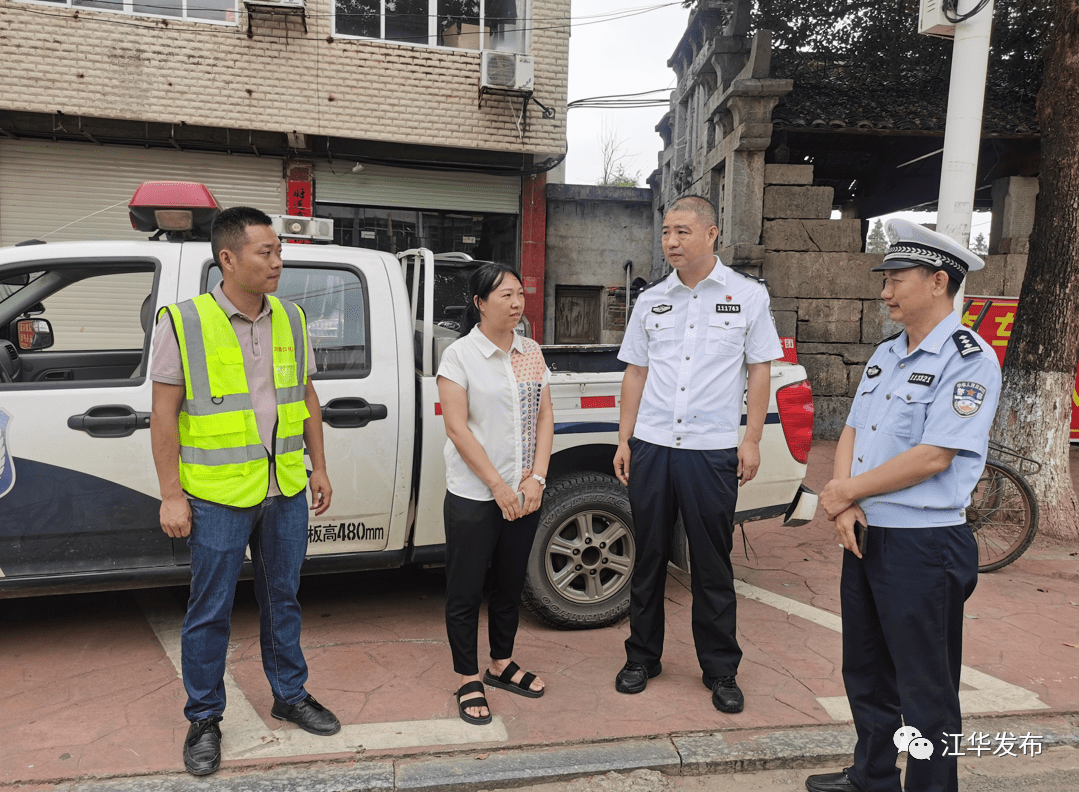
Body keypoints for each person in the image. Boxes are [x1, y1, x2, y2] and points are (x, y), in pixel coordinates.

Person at [805, 219, 1001, 792]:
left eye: (896, 278)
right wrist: (842, 502)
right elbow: (851, 432)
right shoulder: (888, 353)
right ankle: (872, 777)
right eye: (884, 278)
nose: (885, 290)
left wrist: (848, 492)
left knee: (927, 690)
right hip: (866, 533)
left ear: (938, 281)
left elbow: (935, 455)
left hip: (925, 545)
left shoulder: (968, 360)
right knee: (866, 672)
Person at [150, 207, 339, 777]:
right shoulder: (183, 323)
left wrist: (319, 468)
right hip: (217, 494)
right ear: (228, 259)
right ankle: (204, 718)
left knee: (284, 598)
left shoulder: (291, 317)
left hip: (283, 487)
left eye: (279, 251)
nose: (278, 262)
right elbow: (163, 416)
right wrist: (170, 494)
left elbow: (305, 398)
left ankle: (290, 694)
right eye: (267, 252)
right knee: (209, 611)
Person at [613, 195, 783, 712]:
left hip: (711, 450)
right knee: (648, 558)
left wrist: (750, 438)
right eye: (666, 232)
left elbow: (759, 370)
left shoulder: (747, 297)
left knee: (712, 563)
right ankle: (642, 656)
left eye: (683, 231)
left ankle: (720, 669)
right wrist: (625, 438)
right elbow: (635, 373)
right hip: (654, 445)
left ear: (712, 233)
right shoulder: (652, 300)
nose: (671, 241)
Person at [435, 262, 554, 725]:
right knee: (465, 590)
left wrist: (537, 479)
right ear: (480, 303)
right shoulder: (460, 356)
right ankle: (468, 676)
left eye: (519, 293)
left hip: (525, 492)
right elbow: (457, 428)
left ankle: (501, 663)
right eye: (504, 295)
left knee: (509, 584)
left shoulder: (532, 353)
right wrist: (498, 486)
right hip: (475, 494)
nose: (516, 301)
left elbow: (545, 418)